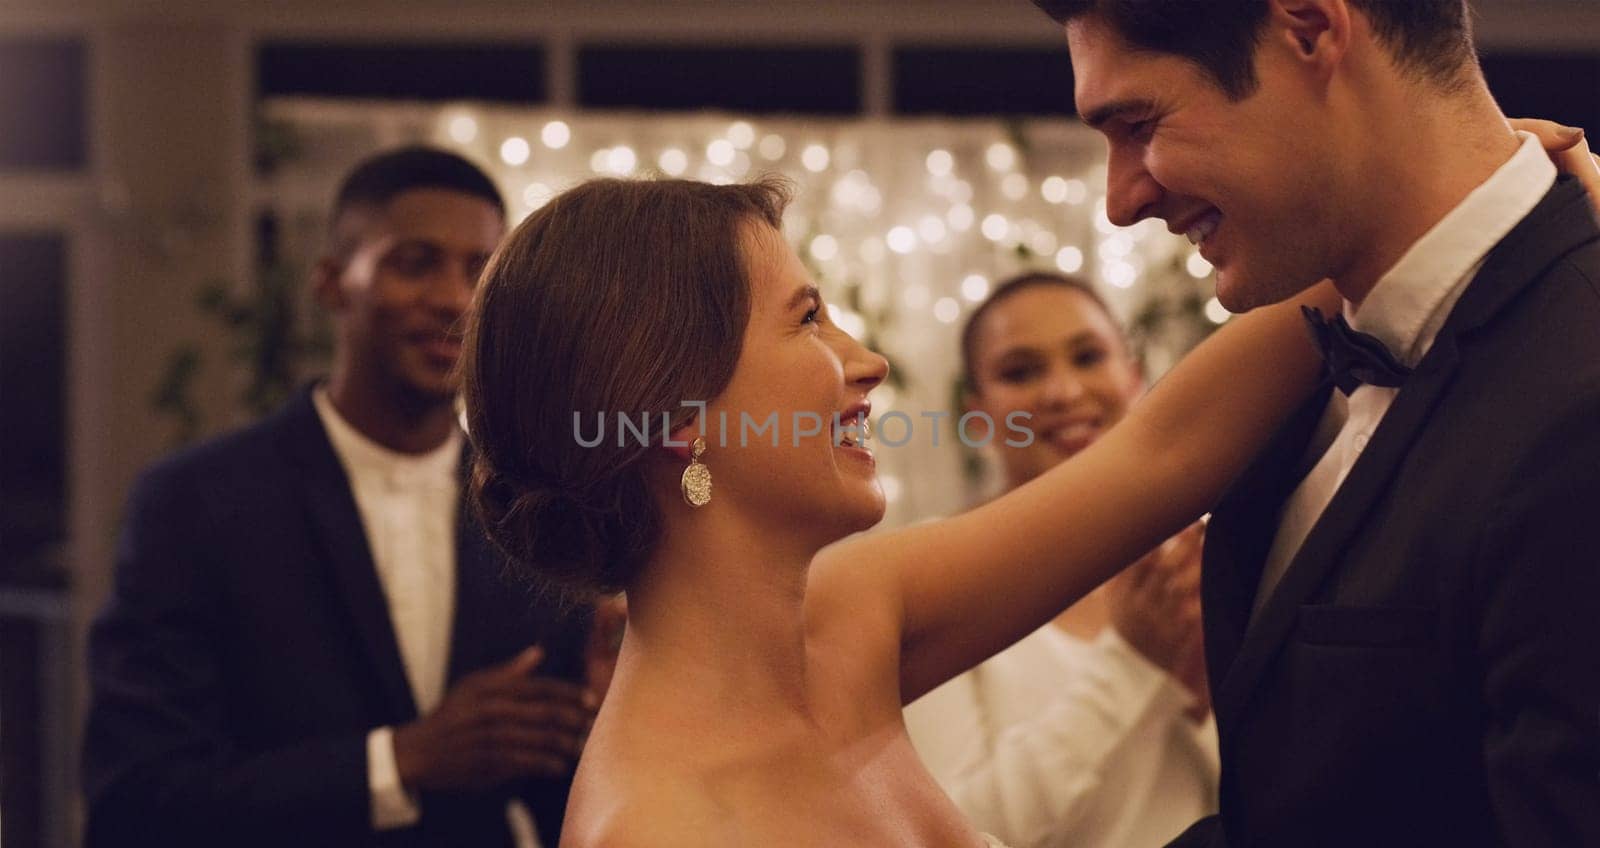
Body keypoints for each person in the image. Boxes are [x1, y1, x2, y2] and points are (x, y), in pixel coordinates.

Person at [460, 173, 1341, 848]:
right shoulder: (662, 825)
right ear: (678, 416)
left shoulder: (853, 611)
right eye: (807, 321)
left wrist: (1440, 205)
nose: (869, 361)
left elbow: (1164, 451)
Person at [1032, 0, 1600, 844]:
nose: (1121, 200)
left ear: (1309, 29)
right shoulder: (1298, 368)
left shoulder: (1578, 398)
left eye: (1140, 122)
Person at [83, 147, 599, 848]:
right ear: (332, 282)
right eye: (414, 262)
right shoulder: (196, 504)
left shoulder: (532, 505)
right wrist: (403, 759)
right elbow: (136, 799)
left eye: (480, 269)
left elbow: (556, 784)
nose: (453, 298)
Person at [903, 271, 1216, 848]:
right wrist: (1132, 663)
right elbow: (951, 830)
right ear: (977, 415)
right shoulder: (936, 571)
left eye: (1088, 356)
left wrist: (1201, 698)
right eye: (1021, 372)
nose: (1064, 393)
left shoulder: (1197, 552)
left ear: (1134, 376)